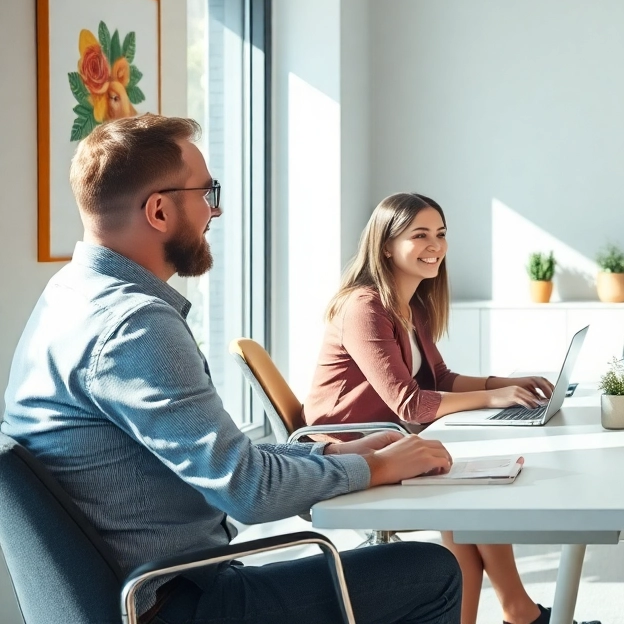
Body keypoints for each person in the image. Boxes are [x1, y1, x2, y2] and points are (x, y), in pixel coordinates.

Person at [1, 116, 461, 624]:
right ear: (158, 210)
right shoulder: (135, 327)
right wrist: (379, 466)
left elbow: (217, 456)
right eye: (206, 191)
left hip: (144, 589)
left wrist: (330, 450)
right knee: (431, 571)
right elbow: (248, 491)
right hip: (178, 601)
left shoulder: (69, 296)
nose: (213, 209)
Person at [305, 192, 597, 624]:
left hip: (393, 436)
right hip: (354, 449)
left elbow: (438, 380)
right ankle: (522, 613)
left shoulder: (410, 303)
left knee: (472, 496)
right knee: (471, 496)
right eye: (419, 234)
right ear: (386, 244)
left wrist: (506, 383)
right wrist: (492, 398)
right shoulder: (364, 306)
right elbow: (410, 403)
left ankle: (517, 612)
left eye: (440, 234)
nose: (435, 245)